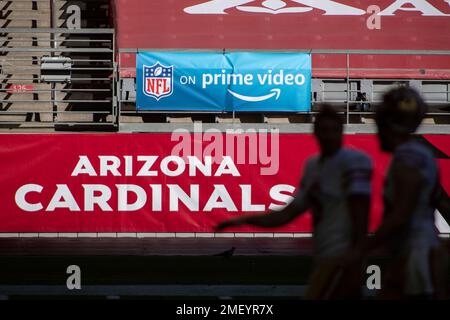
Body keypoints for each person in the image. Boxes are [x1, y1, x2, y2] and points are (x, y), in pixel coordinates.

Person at [215, 104, 373, 299]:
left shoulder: (354, 161)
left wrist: (356, 252)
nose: (328, 136)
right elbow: (286, 214)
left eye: (333, 130)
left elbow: (361, 208)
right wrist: (241, 220)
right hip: (324, 253)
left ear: (341, 131)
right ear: (315, 132)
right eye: (323, 130)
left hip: (343, 255)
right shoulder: (314, 165)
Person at [346, 87, 449, 299]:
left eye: (379, 125)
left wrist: (362, 247)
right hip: (419, 251)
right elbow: (441, 201)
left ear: (390, 126)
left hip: (415, 253)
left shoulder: (407, 160)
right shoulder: (422, 155)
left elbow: (400, 215)